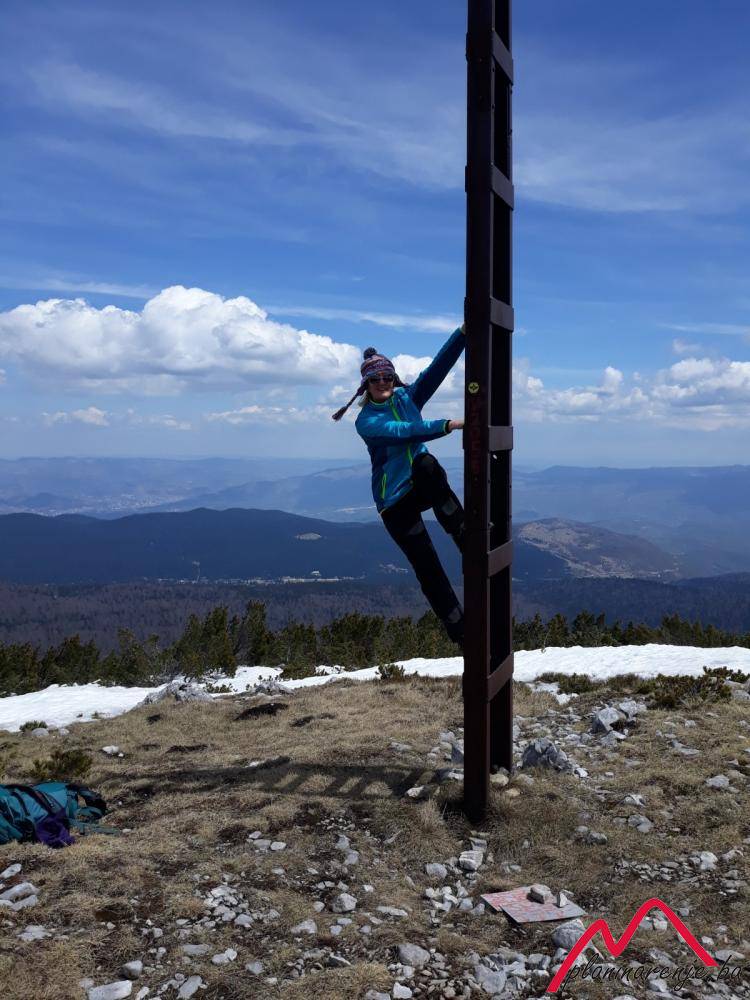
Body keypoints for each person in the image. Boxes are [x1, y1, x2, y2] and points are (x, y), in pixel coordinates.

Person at [332, 325, 466, 650]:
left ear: (394, 379)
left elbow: (437, 368)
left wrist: (464, 332)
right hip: (394, 503)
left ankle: (464, 533)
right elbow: (404, 431)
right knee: (428, 568)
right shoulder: (366, 421)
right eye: (375, 379)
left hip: (418, 484)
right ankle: (461, 632)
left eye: (388, 377)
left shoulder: (408, 397)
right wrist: (448, 425)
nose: (383, 383)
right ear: (365, 384)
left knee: (427, 465)